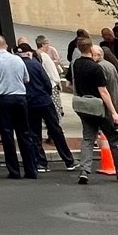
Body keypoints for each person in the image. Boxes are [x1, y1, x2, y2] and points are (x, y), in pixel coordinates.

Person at [71, 42, 118, 184]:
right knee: (113, 140)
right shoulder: (96, 68)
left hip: (84, 107)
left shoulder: (76, 64)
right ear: (92, 52)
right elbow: (104, 92)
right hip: (100, 109)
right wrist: (114, 113)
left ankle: (84, 170)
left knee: (88, 139)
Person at [0, 37, 41, 180]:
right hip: (20, 98)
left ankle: (14, 171)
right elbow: (26, 79)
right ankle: (31, 170)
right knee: (24, 134)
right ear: (7, 45)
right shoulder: (18, 60)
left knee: (7, 135)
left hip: (2, 99)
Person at [19, 39, 73, 171]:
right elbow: (47, 82)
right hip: (44, 100)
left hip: (29, 102)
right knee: (55, 129)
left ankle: (41, 162)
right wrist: (47, 93)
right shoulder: (36, 64)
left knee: (35, 133)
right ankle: (68, 160)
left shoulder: (19, 66)